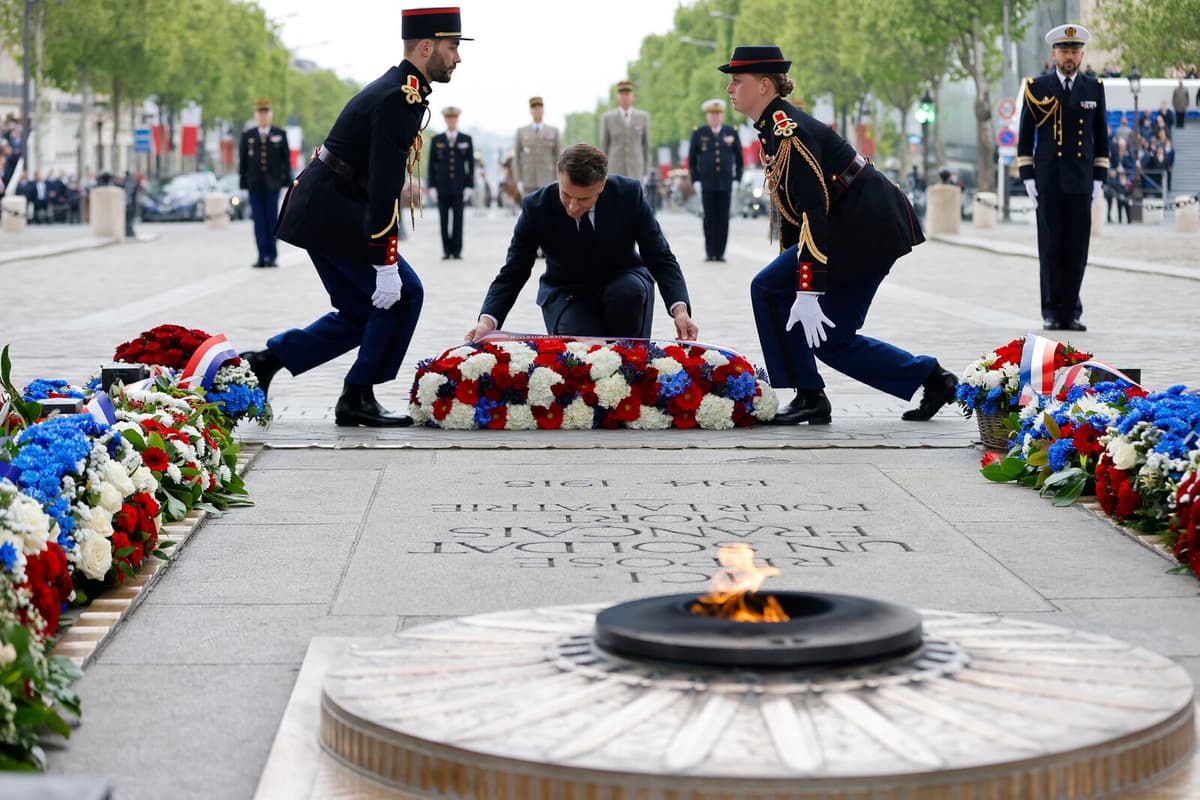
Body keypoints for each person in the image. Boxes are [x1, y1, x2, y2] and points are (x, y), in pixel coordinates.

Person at [242, 6, 470, 427]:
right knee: (403, 294)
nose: (458, 56)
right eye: (452, 46)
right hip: (333, 212)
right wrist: (385, 261)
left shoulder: (404, 90)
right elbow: (385, 185)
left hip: (324, 207)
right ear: (426, 46)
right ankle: (358, 396)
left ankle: (265, 362)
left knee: (361, 311)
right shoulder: (399, 97)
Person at [719, 46, 954, 426]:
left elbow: (813, 211)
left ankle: (813, 393)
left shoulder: (788, 131)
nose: (729, 89)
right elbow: (794, 216)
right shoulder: (773, 128)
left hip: (868, 230)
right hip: (851, 228)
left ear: (763, 85)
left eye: (736, 81)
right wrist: (796, 279)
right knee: (806, 318)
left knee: (812, 324)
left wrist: (807, 287)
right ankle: (926, 379)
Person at [464, 143, 698, 343]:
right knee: (580, 355)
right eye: (566, 194)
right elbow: (514, 271)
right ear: (558, 177)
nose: (573, 206)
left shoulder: (629, 195)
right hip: (567, 292)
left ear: (602, 185)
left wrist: (680, 311)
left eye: (584, 198)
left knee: (627, 296)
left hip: (624, 284)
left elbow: (660, 257)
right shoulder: (537, 207)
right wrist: (487, 321)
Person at [1016, 23, 1108, 332]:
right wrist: (1028, 177)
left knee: (1077, 248)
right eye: (1064, 51)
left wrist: (1099, 178)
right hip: (1049, 180)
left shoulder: (1094, 89)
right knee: (1051, 247)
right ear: (1054, 53)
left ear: (1082, 53)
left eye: (1075, 51)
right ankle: (1051, 311)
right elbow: (1025, 137)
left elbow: (1101, 138)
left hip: (1081, 180)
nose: (1070, 56)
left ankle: (1073, 310)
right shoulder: (1036, 88)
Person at [238, 98, 291, 267]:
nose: (263, 116)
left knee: (272, 221)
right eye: (260, 113)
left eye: (265, 113)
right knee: (259, 222)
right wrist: (243, 184)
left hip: (273, 185)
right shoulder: (248, 136)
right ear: (256, 116)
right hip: (254, 185)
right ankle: (261, 256)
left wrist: (286, 183)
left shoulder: (279, 134)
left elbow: (286, 161)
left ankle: (272, 256)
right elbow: (243, 162)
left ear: (270, 115)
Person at [688, 99, 743, 262]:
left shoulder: (731, 131)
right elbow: (692, 159)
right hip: (707, 183)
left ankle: (720, 252)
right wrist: (695, 180)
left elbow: (739, 158)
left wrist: (737, 179)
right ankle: (710, 251)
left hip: (725, 183)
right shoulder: (699, 132)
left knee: (723, 218)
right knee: (709, 218)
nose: (715, 117)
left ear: (722, 115)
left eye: (718, 114)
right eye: (712, 114)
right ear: (707, 116)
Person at [427, 106, 474, 260]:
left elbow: (471, 165)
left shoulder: (466, 139)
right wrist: (431, 185)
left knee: (458, 220)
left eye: (454, 118)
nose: (451, 121)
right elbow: (431, 165)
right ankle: (446, 250)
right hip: (442, 186)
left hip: (460, 186)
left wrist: (469, 185)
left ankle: (457, 250)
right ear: (445, 120)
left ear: (457, 119)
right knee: (443, 219)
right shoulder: (437, 139)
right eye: (449, 118)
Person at [600, 80, 650, 181]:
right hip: (615, 169)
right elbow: (604, 146)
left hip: (636, 169)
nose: (625, 97)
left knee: (635, 196)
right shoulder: (607, 118)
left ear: (632, 96)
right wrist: (603, 171)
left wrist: (645, 172)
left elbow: (646, 146)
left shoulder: (643, 117)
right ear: (617, 97)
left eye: (627, 94)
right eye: (622, 94)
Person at [513, 97, 561, 195]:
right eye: (534, 108)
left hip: (548, 179)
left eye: (539, 107)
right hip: (528, 180)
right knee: (528, 209)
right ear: (531, 111)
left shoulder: (553, 131)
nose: (537, 110)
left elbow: (558, 156)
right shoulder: (522, 132)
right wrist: (518, 179)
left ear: (543, 110)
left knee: (547, 209)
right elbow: (517, 157)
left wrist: (558, 178)